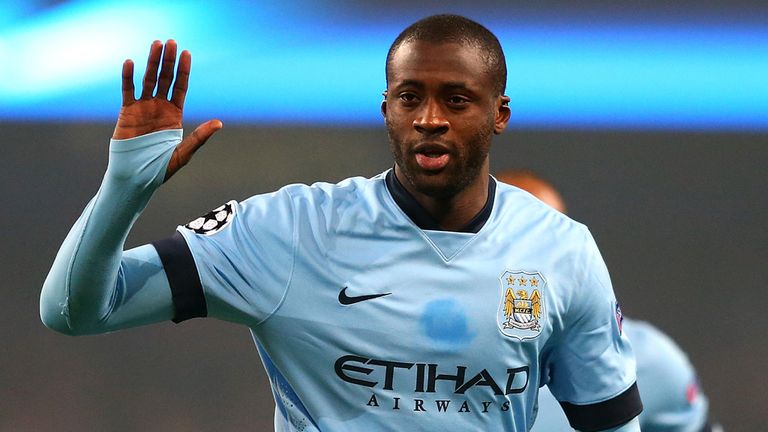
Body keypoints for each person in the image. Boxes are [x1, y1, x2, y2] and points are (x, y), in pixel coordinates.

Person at [40, 15, 642, 431]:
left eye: (456, 99)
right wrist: (122, 191)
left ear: (499, 114)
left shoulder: (561, 251)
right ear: (387, 109)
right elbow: (74, 311)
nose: (429, 118)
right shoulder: (289, 230)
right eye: (410, 97)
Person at [496, 169, 722, 432]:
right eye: (513, 246)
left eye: (547, 243)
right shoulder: (444, 353)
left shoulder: (649, 361)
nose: (532, 267)